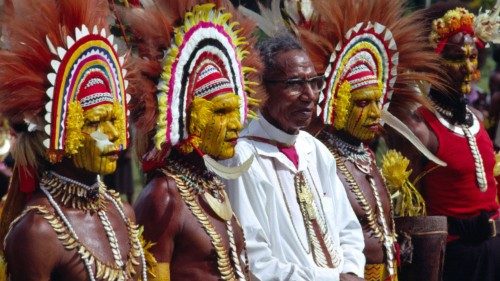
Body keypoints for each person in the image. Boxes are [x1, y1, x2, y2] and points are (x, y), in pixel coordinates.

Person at [298, 0, 446, 279]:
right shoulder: (321, 160)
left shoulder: (365, 156)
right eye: (363, 103)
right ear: (338, 104)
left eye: (378, 101)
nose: (376, 113)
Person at [0, 0, 147, 280]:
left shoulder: (123, 212)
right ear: (62, 132)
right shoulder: (37, 232)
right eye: (96, 123)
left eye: (115, 121)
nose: (116, 135)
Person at [127, 1, 261, 280]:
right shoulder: (163, 196)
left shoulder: (211, 183)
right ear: (184, 119)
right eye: (221, 112)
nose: (236, 124)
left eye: (235, 111)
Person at [223, 33, 365, 281]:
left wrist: (351, 271)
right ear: (262, 88)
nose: (309, 95)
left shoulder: (316, 150)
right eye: (295, 84)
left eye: (314, 82)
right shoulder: (242, 158)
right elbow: (254, 259)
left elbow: (348, 229)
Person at [387, 3, 500, 281]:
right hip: (453, 259)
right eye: (456, 58)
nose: (468, 68)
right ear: (434, 62)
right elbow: (409, 208)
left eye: (472, 57)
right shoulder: (419, 127)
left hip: (493, 250)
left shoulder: (477, 116)